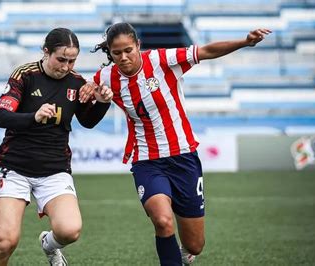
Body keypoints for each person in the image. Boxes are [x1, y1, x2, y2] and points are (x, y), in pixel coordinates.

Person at [90, 22, 271, 265]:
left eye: (128, 50)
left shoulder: (162, 60)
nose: (123, 57)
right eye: (117, 53)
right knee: (163, 221)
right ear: (110, 53)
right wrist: (92, 95)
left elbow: (205, 51)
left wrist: (245, 42)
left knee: (195, 245)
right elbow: (84, 91)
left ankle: (183, 256)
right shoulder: (105, 77)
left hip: (184, 156)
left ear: (138, 46)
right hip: (147, 160)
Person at [0, 27, 113, 266]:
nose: (66, 66)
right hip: (13, 167)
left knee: (70, 231)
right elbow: (0, 117)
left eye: (72, 60)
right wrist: (33, 117)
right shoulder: (24, 75)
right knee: (5, 241)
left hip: (54, 169)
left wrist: (103, 103)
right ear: (46, 52)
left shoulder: (77, 82)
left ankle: (49, 245)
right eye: (61, 59)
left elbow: (87, 121)